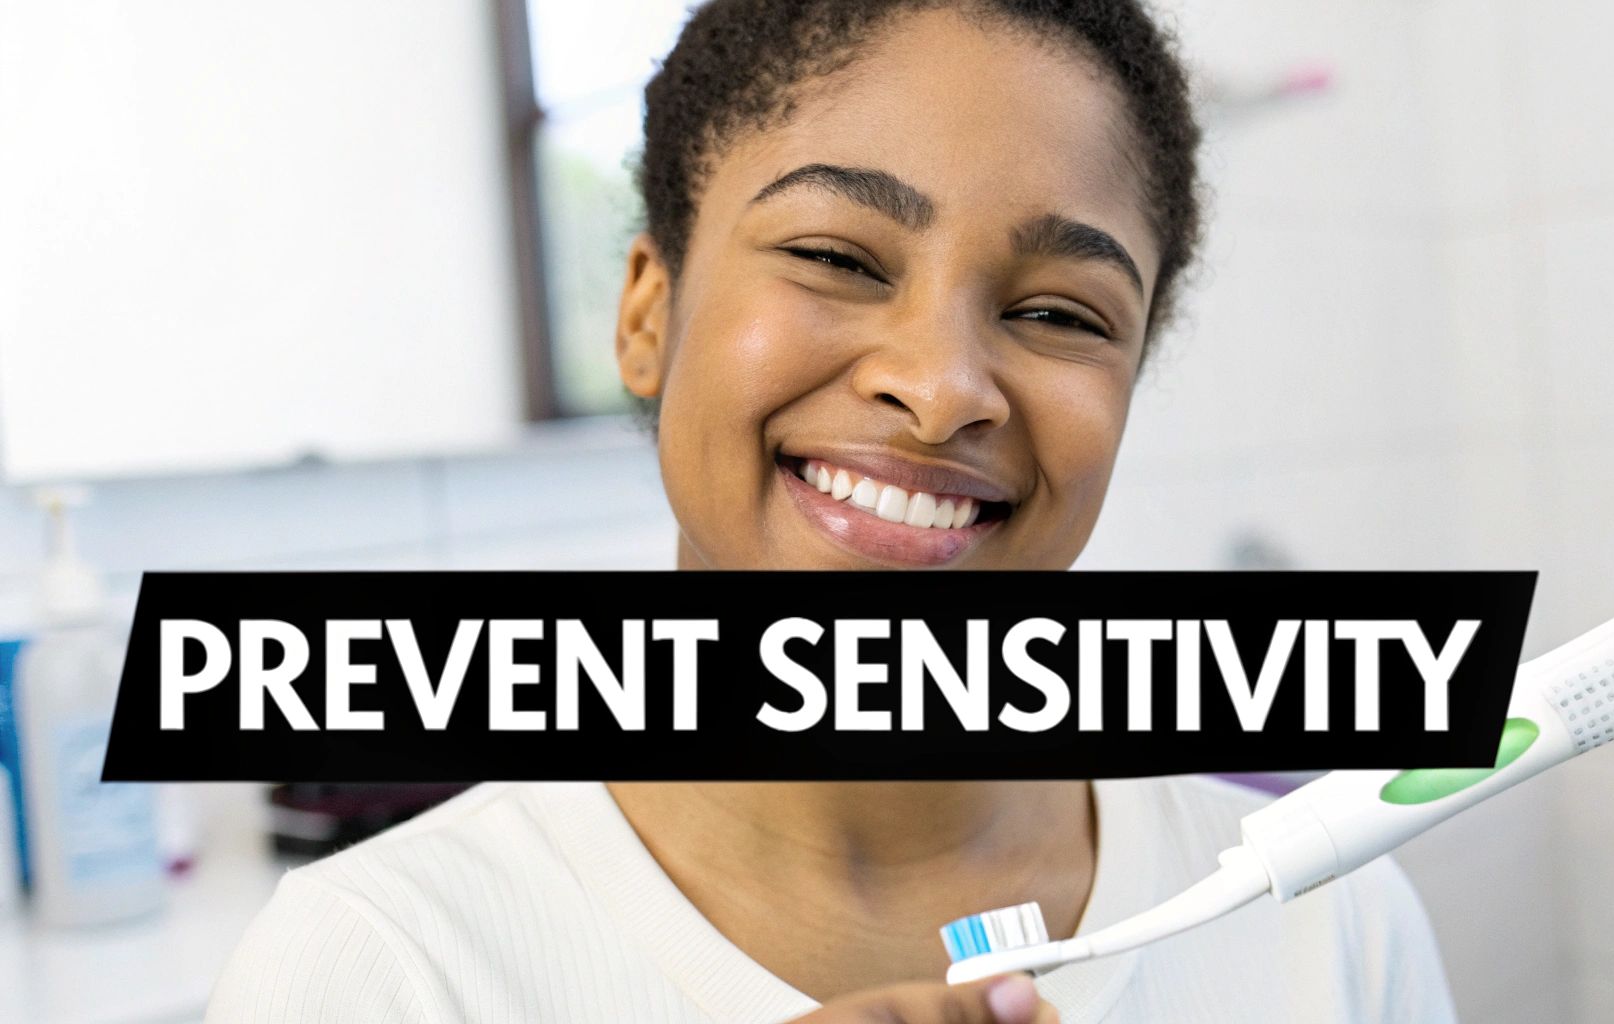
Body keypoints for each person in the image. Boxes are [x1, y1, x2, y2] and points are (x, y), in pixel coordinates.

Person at [207, 1, 1458, 1020]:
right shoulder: (375, 966)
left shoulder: (1324, 917)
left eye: (1059, 314)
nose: (941, 388)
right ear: (647, 313)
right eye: (836, 258)